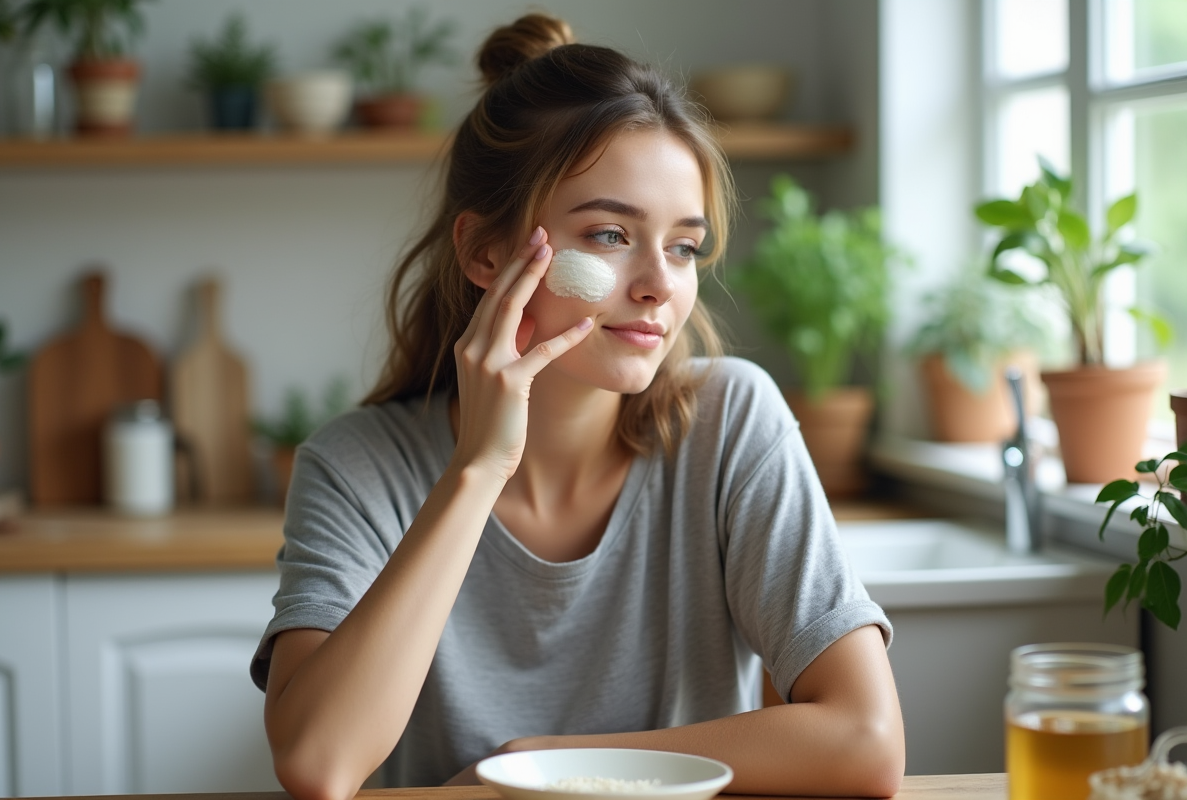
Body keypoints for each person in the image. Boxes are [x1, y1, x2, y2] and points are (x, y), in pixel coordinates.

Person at [251, 13, 904, 800]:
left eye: (684, 245)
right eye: (607, 234)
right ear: (485, 253)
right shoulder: (357, 465)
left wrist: (539, 764)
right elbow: (317, 766)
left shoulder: (732, 423)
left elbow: (866, 742)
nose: (661, 284)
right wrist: (478, 470)